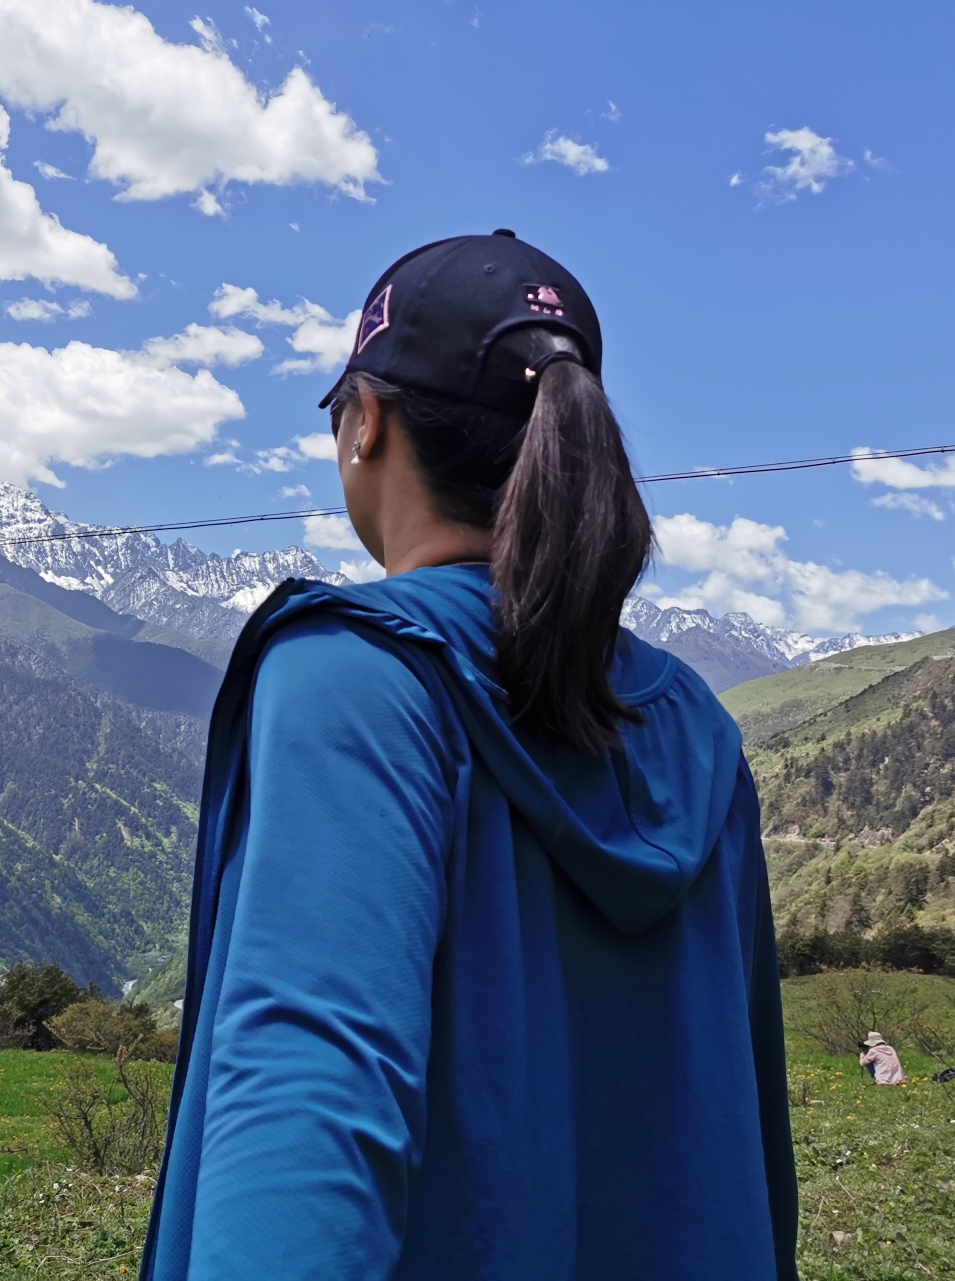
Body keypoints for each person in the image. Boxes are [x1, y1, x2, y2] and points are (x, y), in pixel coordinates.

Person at [140, 233, 797, 1280]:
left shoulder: (356, 676)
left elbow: (308, 1100)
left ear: (367, 424)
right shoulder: (697, 732)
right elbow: (748, 1114)